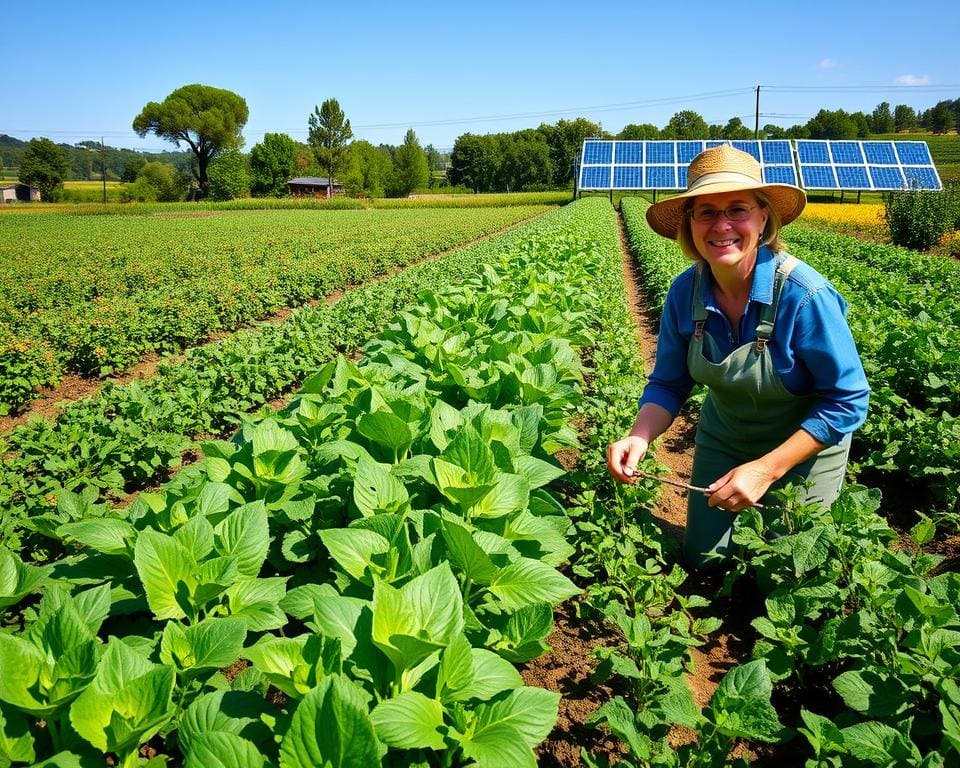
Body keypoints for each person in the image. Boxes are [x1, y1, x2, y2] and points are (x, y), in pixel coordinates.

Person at [606, 144, 869, 570]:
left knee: (787, 572)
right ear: (689, 225)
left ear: (764, 217)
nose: (721, 225)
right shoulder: (684, 293)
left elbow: (848, 400)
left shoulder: (804, 296)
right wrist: (639, 436)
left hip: (803, 446)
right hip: (725, 436)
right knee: (704, 563)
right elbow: (670, 383)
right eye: (706, 212)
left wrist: (767, 469)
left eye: (737, 209)